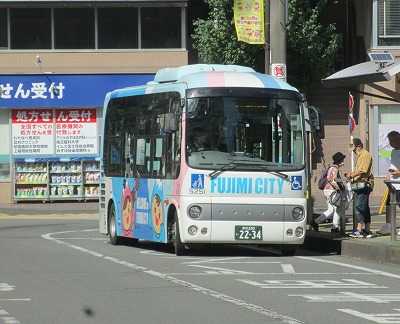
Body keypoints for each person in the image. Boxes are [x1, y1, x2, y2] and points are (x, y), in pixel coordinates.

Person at [345, 138, 374, 238]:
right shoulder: (361, 155)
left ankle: (359, 230)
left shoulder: (365, 155)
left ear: (358, 146)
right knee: (364, 207)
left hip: (363, 184)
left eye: (354, 149)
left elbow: (363, 170)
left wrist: (351, 175)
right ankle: (367, 229)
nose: (353, 151)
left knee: (359, 206)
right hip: (361, 184)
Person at [311, 152, 346, 233]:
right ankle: (335, 227)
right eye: (342, 160)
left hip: (327, 190)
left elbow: (333, 179)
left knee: (331, 210)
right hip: (332, 191)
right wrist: (338, 188)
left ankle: (316, 222)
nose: (343, 161)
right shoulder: (334, 169)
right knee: (337, 209)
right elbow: (331, 180)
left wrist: (343, 181)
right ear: (339, 161)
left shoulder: (332, 168)